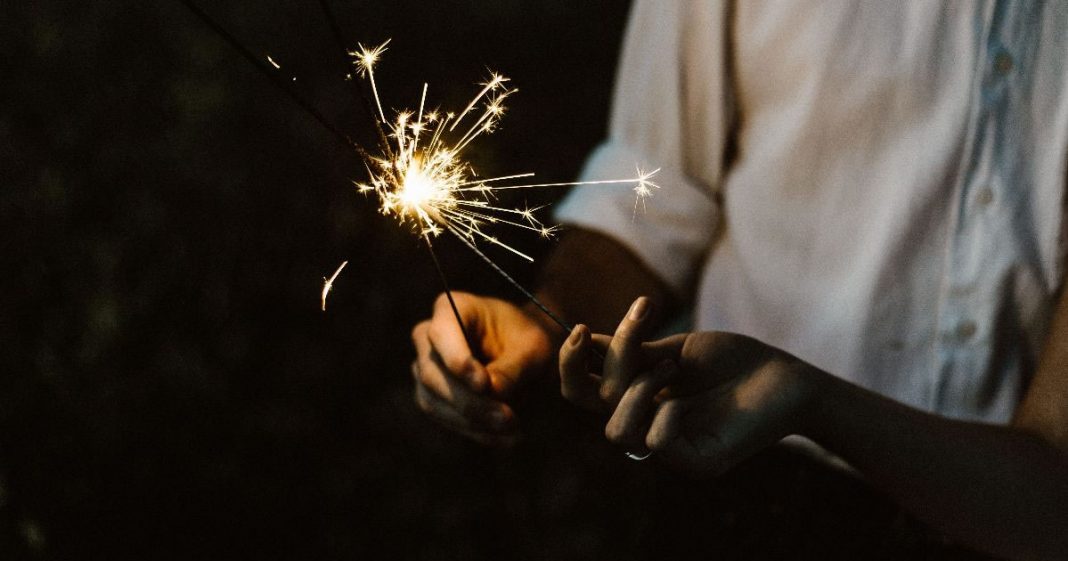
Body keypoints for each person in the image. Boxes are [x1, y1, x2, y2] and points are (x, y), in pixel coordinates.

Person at [410, 2, 1068, 559]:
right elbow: (657, 189)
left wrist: (813, 400)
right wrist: (544, 315)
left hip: (999, 530)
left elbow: (1053, 473)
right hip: (732, 496)